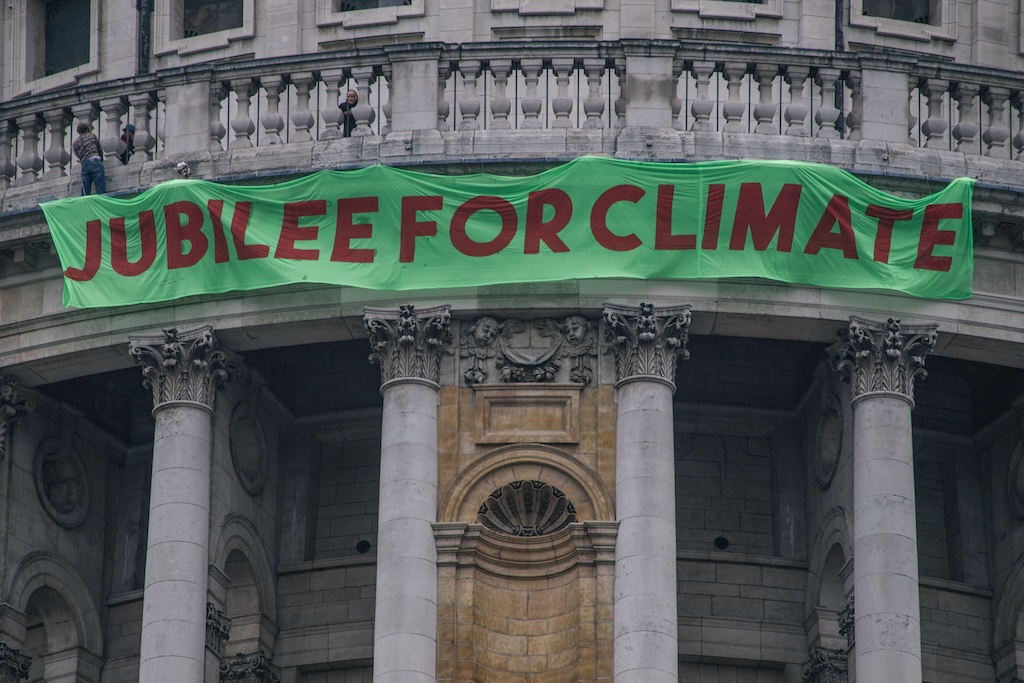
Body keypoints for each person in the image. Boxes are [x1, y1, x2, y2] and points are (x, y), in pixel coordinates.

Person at [72, 123, 105, 196]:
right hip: (94, 160)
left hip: (84, 164)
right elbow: (99, 148)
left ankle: (84, 202)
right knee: (99, 183)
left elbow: (77, 154)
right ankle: (101, 199)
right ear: (87, 130)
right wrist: (101, 158)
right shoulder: (92, 136)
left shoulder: (75, 143)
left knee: (85, 185)